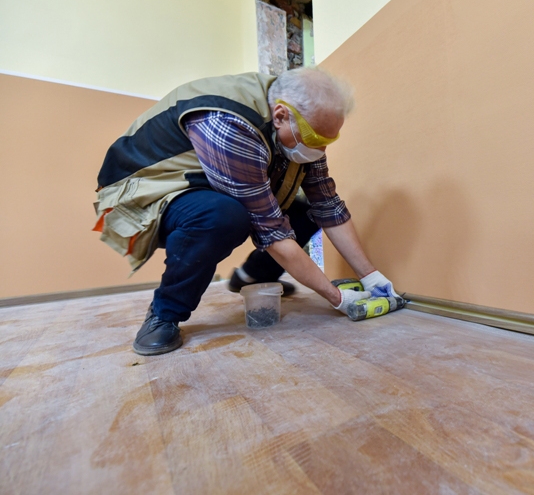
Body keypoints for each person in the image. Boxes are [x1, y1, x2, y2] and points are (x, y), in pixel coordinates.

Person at [93, 68, 399, 355]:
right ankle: (164, 314)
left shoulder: (301, 124)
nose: (320, 151)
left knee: (305, 212)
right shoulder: (228, 124)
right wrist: (337, 298)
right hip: (144, 193)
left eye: (328, 141)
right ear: (280, 116)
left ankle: (253, 279)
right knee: (222, 217)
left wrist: (372, 278)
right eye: (316, 140)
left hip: (205, 187)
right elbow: (271, 231)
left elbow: (327, 205)